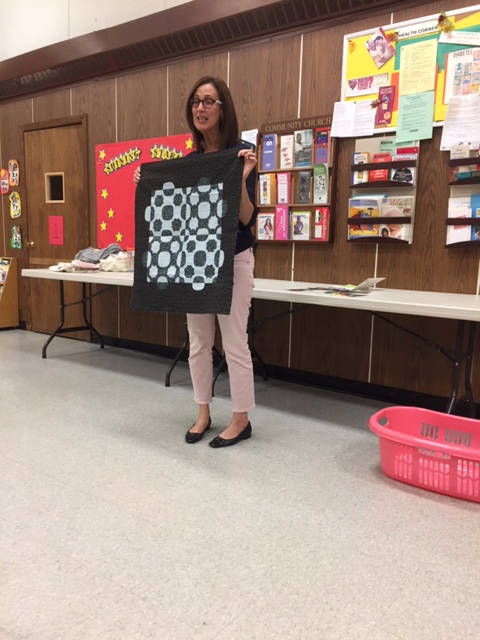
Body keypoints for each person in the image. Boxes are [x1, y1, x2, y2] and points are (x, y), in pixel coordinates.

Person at [134, 76, 257, 448]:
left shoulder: (241, 154)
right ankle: (202, 412)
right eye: (195, 102)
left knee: (234, 342)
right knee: (199, 342)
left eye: (208, 101)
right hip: (197, 262)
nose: (200, 108)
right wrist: (147, 181)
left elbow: (246, 219)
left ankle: (240, 419)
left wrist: (241, 178)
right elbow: (176, 213)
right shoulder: (190, 163)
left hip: (233, 259)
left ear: (223, 109)